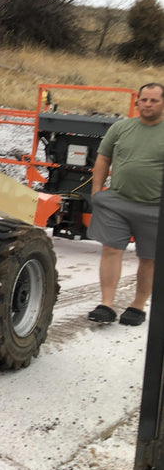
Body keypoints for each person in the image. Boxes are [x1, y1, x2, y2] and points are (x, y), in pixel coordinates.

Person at [87, 82, 164, 326]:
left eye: (154, 100)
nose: (148, 104)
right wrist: (97, 191)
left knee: (149, 258)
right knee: (110, 250)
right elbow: (103, 158)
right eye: (144, 100)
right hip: (117, 202)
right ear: (137, 101)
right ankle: (106, 304)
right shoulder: (121, 128)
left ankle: (137, 307)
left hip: (154, 207)